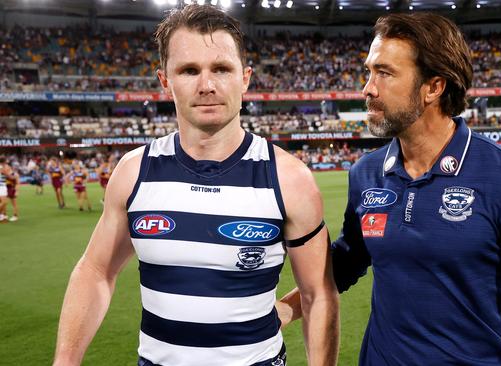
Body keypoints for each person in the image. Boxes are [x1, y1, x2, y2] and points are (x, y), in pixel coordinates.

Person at [280, 13, 501, 366]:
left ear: (434, 87)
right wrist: (282, 309)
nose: (368, 88)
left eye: (385, 73)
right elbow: (347, 261)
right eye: (369, 71)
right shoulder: (366, 174)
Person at [53, 5, 339, 366]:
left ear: (246, 77)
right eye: (189, 70)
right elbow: (96, 270)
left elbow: (318, 295)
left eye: (221, 68)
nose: (207, 85)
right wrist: (65, 361)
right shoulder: (133, 172)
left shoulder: (290, 178)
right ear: (165, 81)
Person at [0, 157, 10, 222]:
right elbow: (8, 175)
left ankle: (3, 215)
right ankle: (2, 215)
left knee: (3, 202)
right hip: (1, 186)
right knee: (4, 202)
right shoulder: (2, 168)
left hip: (2, 185)